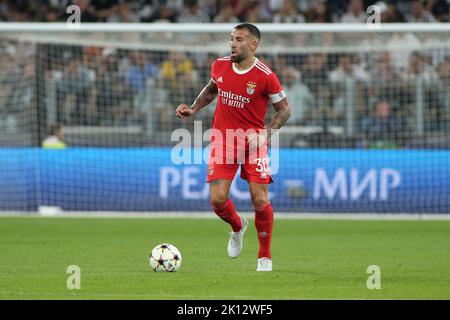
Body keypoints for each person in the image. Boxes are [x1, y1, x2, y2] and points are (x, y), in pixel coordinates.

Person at [175, 23, 291, 272]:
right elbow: (212, 89)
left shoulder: (265, 75)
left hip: (253, 143)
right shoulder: (220, 65)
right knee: (217, 200)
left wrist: (266, 135)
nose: (233, 44)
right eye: (231, 39)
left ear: (253, 44)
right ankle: (238, 227)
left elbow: (285, 110)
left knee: (259, 198)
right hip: (223, 141)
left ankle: (264, 256)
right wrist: (193, 108)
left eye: (239, 40)